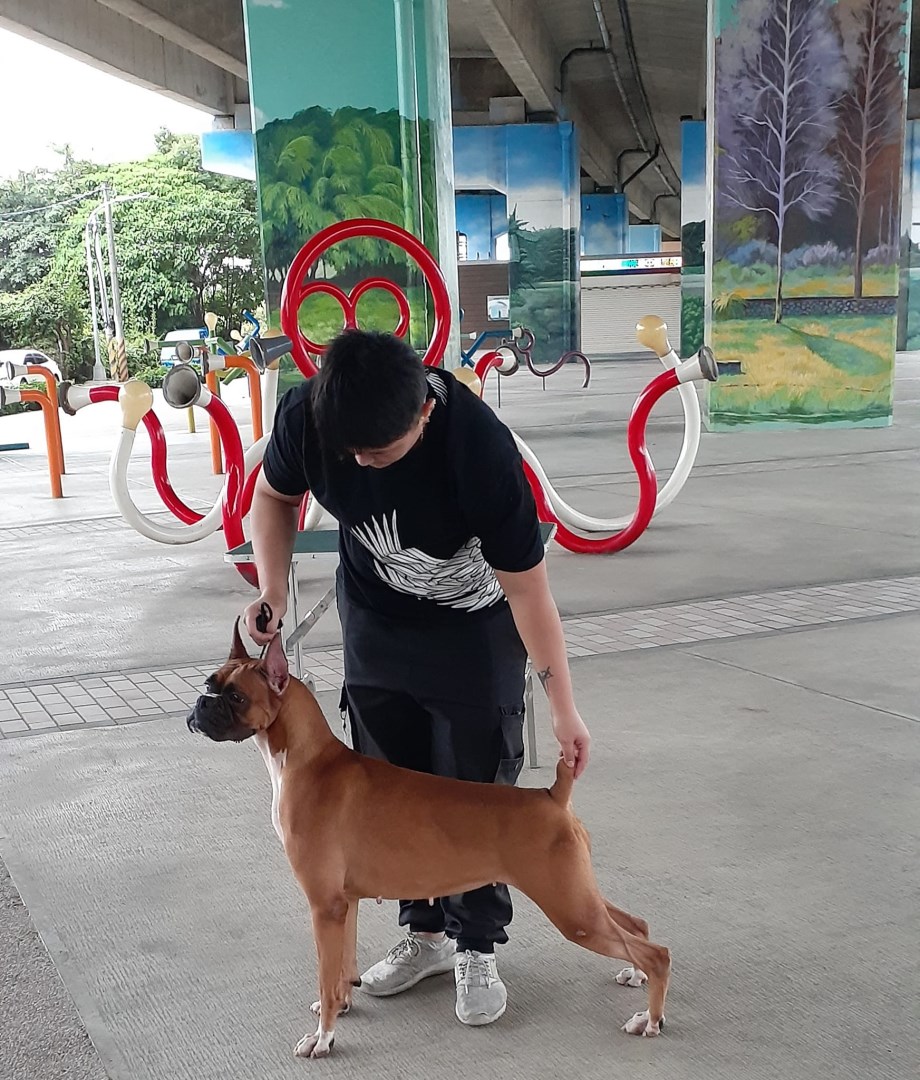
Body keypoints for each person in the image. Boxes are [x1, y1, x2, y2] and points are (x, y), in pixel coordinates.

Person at [244, 329, 590, 1028]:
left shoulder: (479, 450)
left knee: (475, 790)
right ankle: (424, 934)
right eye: (350, 453)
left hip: (472, 632)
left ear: (424, 415)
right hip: (377, 623)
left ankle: (476, 944)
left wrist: (563, 706)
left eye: (379, 452)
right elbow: (273, 497)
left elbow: (529, 592)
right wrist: (273, 591)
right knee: (386, 791)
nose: (362, 465)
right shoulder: (308, 414)